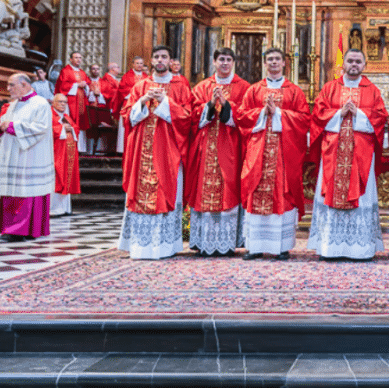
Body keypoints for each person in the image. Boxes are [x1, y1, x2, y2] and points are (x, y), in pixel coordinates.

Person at [308, 48, 388, 260]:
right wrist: (339, 114)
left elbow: (380, 118)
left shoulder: (372, 90)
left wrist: (359, 114)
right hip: (333, 152)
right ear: (343, 64)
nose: (354, 65)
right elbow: (317, 115)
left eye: (358, 62)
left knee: (361, 198)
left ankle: (360, 249)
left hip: (361, 154)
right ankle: (329, 247)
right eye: (350, 61)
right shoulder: (330, 88)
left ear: (364, 65)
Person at [118, 46, 194, 259]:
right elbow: (127, 116)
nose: (160, 60)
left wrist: (165, 102)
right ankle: (139, 246)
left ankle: (165, 247)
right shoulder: (140, 86)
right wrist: (142, 101)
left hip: (169, 149)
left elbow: (187, 117)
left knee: (166, 191)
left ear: (170, 61)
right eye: (156, 57)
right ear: (151, 60)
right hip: (142, 149)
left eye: (164, 57)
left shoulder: (179, 87)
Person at [237, 48, 310, 260]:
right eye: (270, 59)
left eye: (278, 59)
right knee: (256, 189)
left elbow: (304, 119)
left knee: (282, 192)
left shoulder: (294, 91)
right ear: (265, 63)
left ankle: (281, 246)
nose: (274, 62)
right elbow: (241, 116)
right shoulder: (253, 90)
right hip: (258, 151)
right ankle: (255, 246)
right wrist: (262, 112)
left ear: (284, 63)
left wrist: (277, 113)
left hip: (283, 154)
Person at [184, 48, 250, 257]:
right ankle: (203, 242)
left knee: (229, 189)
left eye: (229, 60)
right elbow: (192, 115)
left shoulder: (244, 87)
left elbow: (246, 114)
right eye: (221, 59)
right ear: (214, 62)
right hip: (206, 147)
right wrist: (210, 105)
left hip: (231, 146)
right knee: (204, 189)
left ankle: (227, 242)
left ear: (234, 63)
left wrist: (227, 105)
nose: (225, 63)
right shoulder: (203, 86)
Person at [0, 72, 54, 241]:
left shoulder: (40, 104)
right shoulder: (14, 104)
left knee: (25, 191)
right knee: (14, 190)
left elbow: (41, 128)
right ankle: (13, 228)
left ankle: (19, 230)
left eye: (12, 85)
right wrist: (3, 127)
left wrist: (11, 126)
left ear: (25, 85)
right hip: (15, 154)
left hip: (31, 155)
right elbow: (3, 124)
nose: (8, 88)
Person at [49, 94, 80, 217]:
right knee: (57, 178)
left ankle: (65, 208)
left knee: (66, 179)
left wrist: (70, 128)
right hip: (56, 153)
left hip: (68, 154)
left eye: (65, 102)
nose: (63, 104)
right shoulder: (49, 115)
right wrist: (62, 128)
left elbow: (76, 128)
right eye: (60, 101)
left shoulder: (66, 116)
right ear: (53, 102)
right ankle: (54, 209)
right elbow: (47, 129)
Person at [115, 56, 149, 153]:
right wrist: (135, 93)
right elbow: (122, 90)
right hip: (130, 103)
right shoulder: (127, 76)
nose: (139, 65)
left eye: (141, 63)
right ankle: (124, 148)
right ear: (133, 64)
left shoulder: (146, 77)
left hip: (143, 104)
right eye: (137, 63)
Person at [55, 52, 89, 127]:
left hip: (81, 101)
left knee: (81, 123)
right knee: (71, 120)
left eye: (80, 58)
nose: (78, 60)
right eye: (76, 58)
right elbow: (62, 86)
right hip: (71, 101)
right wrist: (77, 85)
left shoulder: (82, 73)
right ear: (71, 59)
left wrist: (86, 86)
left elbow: (88, 85)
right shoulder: (65, 71)